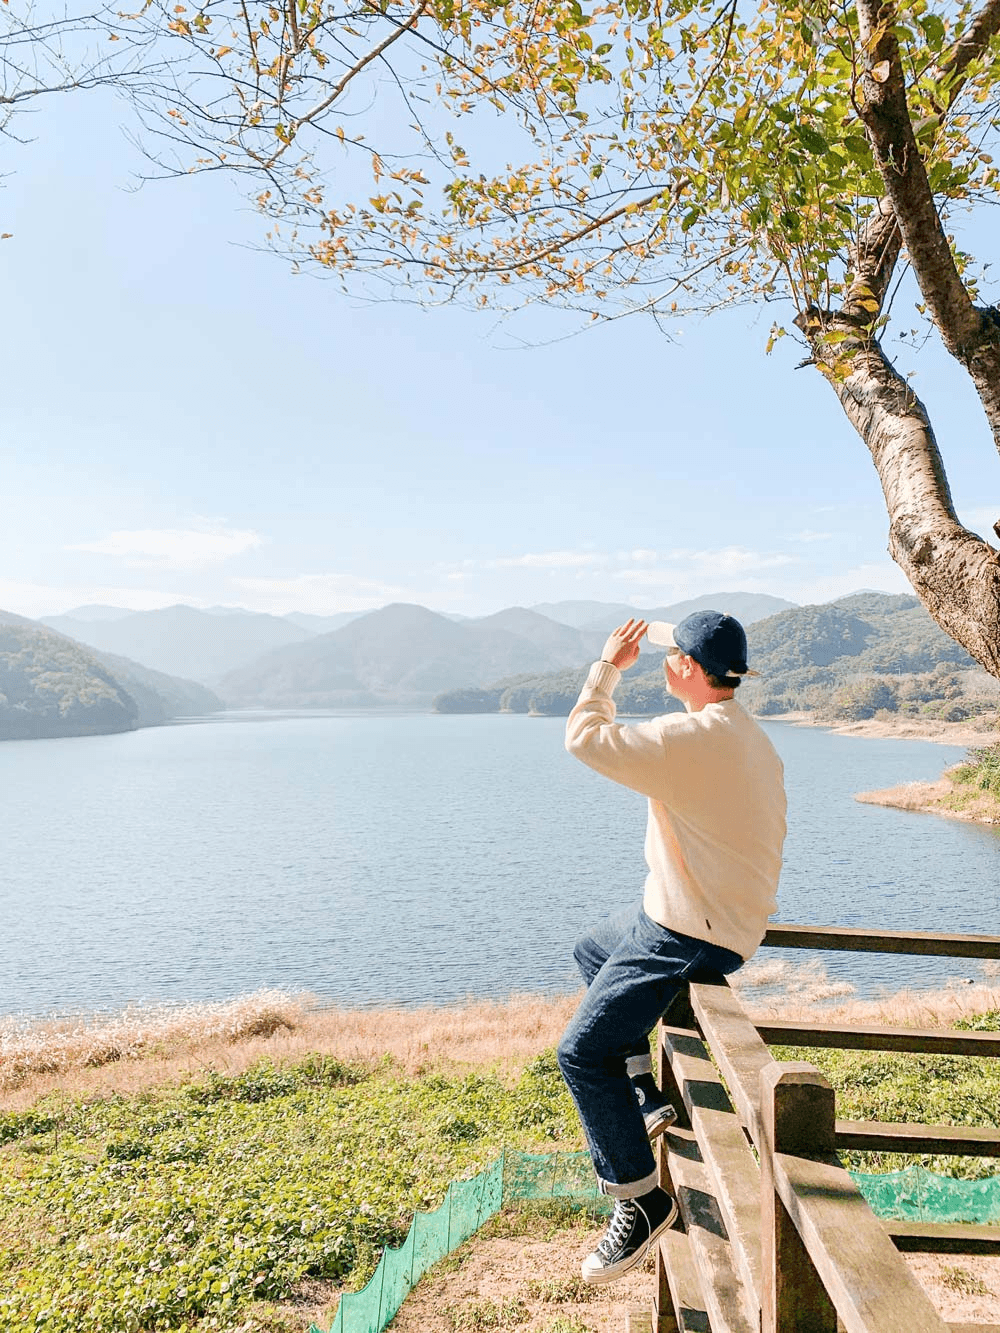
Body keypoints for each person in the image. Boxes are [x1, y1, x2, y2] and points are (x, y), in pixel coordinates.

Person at [558, 611, 786, 1284]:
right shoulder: (748, 736)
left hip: (692, 930)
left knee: (580, 1052)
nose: (662, 664)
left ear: (686, 667)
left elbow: (583, 737)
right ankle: (643, 1093)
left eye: (670, 656)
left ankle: (639, 1199)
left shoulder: (689, 738)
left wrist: (608, 667)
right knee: (592, 948)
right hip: (700, 913)